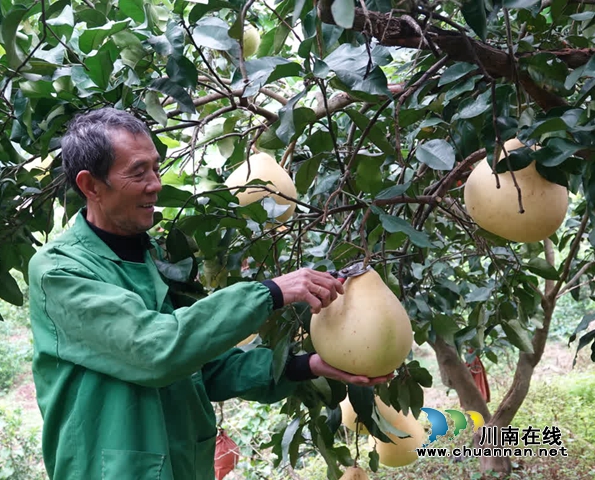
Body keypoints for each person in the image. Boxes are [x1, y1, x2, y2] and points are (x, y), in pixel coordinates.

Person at [29, 107, 392, 480]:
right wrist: (270, 293)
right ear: (91, 185)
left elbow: (204, 367)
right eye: (138, 172)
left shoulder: (160, 259)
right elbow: (154, 349)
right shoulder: (60, 272)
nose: (155, 183)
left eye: (156, 167)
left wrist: (307, 365)